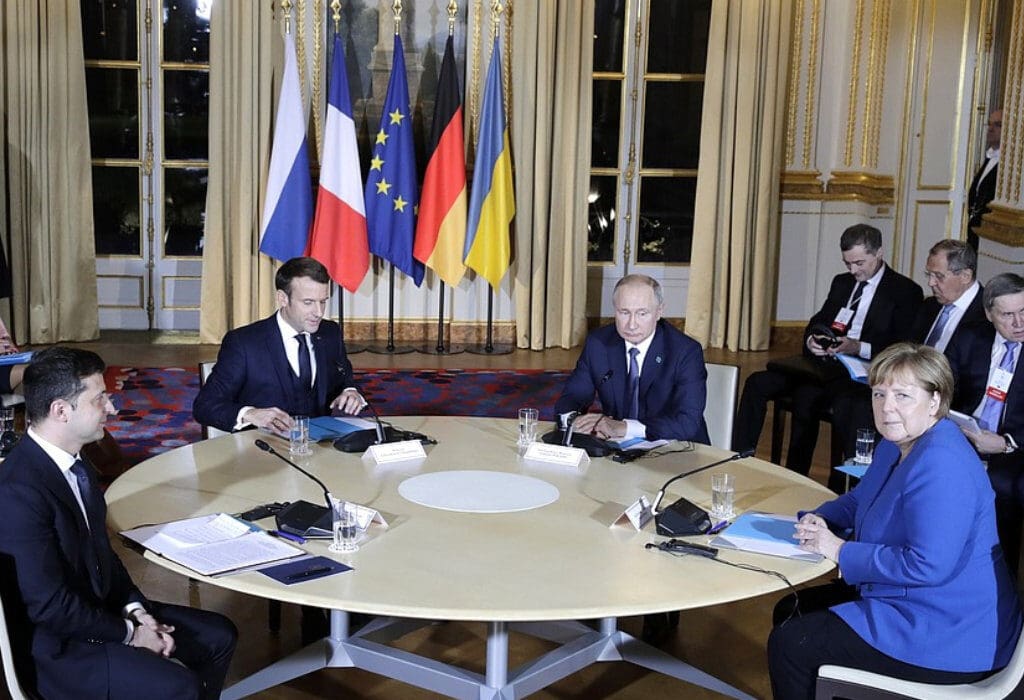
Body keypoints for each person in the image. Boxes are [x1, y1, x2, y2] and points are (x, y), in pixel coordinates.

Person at [767, 343, 1022, 699]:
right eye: (879, 394)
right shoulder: (897, 442)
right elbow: (861, 499)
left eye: (903, 395)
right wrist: (821, 518)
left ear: (934, 401)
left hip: (950, 630)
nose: (887, 407)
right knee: (790, 610)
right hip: (911, 600)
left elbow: (927, 565)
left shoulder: (943, 464)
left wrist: (838, 550)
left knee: (791, 645)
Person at [0, 347, 237, 699]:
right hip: (61, 651)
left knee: (219, 636)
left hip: (100, 613)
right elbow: (50, 607)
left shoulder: (78, 463)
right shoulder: (17, 491)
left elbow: (103, 557)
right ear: (61, 410)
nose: (111, 408)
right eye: (99, 399)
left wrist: (137, 610)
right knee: (181, 687)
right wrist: (131, 633)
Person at [732, 224, 922, 475]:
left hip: (859, 371)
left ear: (878, 253)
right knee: (757, 382)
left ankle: (802, 474)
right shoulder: (842, 283)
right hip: (821, 365)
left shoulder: (904, 291)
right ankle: (738, 458)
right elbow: (820, 320)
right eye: (847, 263)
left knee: (807, 397)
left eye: (859, 263)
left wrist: (859, 347)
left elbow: (902, 346)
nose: (853, 270)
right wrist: (813, 339)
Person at [829, 239, 985, 485]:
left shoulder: (986, 315)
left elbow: (975, 383)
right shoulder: (930, 306)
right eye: (928, 275)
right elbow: (906, 348)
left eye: (938, 276)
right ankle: (856, 485)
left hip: (946, 401)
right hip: (908, 388)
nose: (931, 283)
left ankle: (876, 485)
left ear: (965, 276)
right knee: (852, 401)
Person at [193, 256, 365, 435]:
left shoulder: (330, 332)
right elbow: (205, 405)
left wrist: (350, 391)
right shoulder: (243, 343)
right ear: (283, 298)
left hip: (321, 445)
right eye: (308, 302)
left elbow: (345, 378)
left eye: (323, 301)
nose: (319, 312)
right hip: (262, 446)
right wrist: (250, 414)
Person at [554, 273, 710, 444]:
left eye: (642, 313)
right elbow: (572, 396)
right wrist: (576, 421)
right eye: (624, 312)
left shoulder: (685, 351)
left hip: (678, 447)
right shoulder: (598, 343)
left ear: (659, 312)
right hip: (616, 447)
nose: (632, 324)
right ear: (615, 310)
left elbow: (687, 423)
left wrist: (624, 427)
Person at [947, 272, 1024, 575]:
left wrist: (1005, 443)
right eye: (1008, 315)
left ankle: (999, 579)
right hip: (963, 435)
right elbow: (943, 384)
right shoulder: (971, 336)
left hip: (1015, 448)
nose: (1019, 323)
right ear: (989, 314)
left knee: (1001, 488)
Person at [966, 108, 1002, 251]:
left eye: (998, 125)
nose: (991, 129)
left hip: (989, 236)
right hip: (975, 234)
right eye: (989, 124)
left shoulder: (1008, 166)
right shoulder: (990, 157)